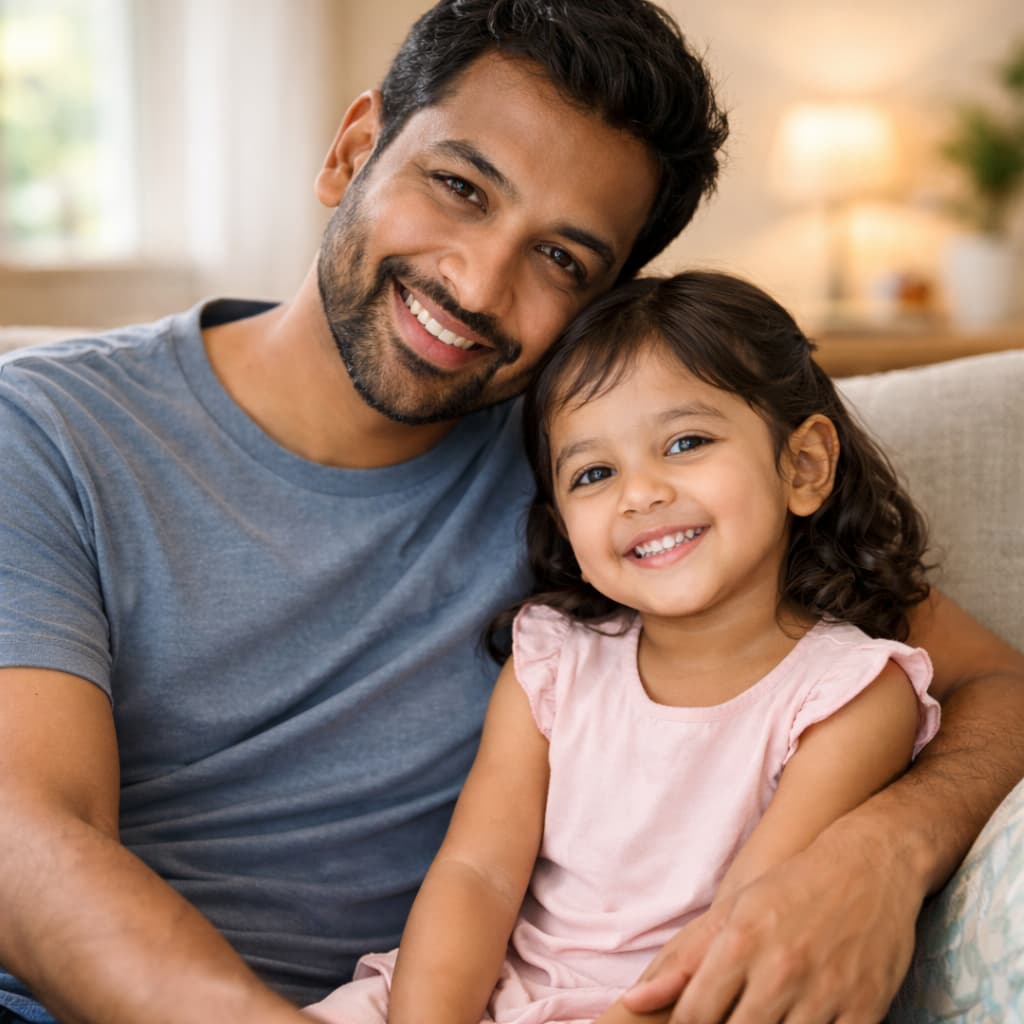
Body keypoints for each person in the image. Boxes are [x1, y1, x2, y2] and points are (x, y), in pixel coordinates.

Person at [0, 2, 1019, 1024]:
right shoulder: (47, 431)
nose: (478, 283)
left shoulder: (605, 478)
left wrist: (883, 851)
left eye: (562, 260)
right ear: (353, 150)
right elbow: (30, 833)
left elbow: (987, 683)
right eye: (458, 187)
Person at [303, 270, 943, 1024]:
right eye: (595, 473)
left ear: (803, 466)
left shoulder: (851, 694)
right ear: (566, 530)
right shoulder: (553, 664)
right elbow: (475, 875)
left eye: (685, 442)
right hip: (480, 994)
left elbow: (741, 927)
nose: (639, 495)